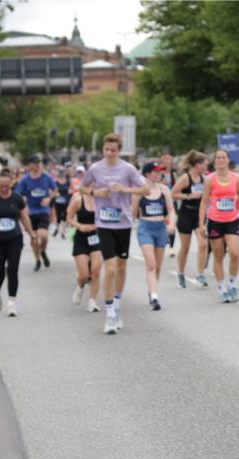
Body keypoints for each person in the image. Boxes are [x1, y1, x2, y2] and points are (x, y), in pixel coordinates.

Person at [80, 133, 150, 335]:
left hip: (123, 223)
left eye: (113, 150)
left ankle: (117, 305)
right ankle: (110, 313)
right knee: (109, 269)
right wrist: (96, 193)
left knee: (121, 266)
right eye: (106, 149)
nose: (109, 153)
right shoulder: (95, 168)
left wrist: (126, 190)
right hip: (103, 222)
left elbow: (145, 189)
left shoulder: (127, 169)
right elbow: (82, 187)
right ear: (103, 149)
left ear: (119, 151)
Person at [0, 169, 36, 317]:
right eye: (1, 186)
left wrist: (31, 233)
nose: (4, 188)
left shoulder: (17, 199)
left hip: (14, 239)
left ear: (11, 183)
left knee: (13, 269)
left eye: (7, 185)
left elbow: (24, 217)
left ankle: (12, 303)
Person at [199, 148, 239, 303]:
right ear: (215, 161)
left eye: (223, 157)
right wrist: (201, 223)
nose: (221, 160)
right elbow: (203, 201)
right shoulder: (210, 180)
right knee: (218, 256)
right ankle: (222, 287)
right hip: (215, 221)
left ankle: (232, 284)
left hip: (232, 221)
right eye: (218, 158)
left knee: (234, 253)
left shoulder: (236, 178)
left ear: (228, 160)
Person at [133, 162, 177, 310]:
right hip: (145, 228)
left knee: (157, 267)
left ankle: (152, 290)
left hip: (160, 228)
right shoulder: (139, 191)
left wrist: (171, 224)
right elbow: (133, 214)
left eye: (160, 172)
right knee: (151, 264)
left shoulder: (164, 190)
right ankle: (154, 297)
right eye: (156, 172)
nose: (159, 174)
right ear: (147, 174)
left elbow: (171, 210)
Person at [172, 150, 210, 288]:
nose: (206, 166)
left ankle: (200, 274)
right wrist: (189, 196)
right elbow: (173, 194)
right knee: (185, 248)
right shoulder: (185, 178)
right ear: (197, 165)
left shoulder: (205, 179)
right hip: (185, 215)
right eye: (204, 164)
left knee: (203, 244)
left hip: (199, 215)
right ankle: (181, 274)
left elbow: (207, 197)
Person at [15, 155, 58, 272]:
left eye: (39, 162)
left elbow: (55, 191)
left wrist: (49, 199)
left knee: (43, 235)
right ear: (30, 165)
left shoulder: (47, 177)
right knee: (33, 239)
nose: (38, 165)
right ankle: (37, 260)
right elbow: (17, 195)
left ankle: (43, 250)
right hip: (31, 212)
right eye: (35, 163)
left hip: (43, 210)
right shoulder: (24, 180)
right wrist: (24, 205)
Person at [67, 186, 103, 313]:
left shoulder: (101, 200)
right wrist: (80, 226)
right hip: (81, 238)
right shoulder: (78, 200)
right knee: (83, 275)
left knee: (96, 271)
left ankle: (92, 302)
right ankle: (80, 286)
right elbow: (69, 218)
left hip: (96, 237)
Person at [53, 168, 71, 238]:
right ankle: (57, 229)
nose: (62, 175)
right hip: (58, 201)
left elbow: (71, 189)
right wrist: (56, 193)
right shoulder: (56, 182)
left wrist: (70, 191)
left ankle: (62, 232)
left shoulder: (68, 182)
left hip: (66, 201)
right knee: (58, 216)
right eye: (61, 173)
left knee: (64, 216)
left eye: (63, 173)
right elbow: (53, 190)